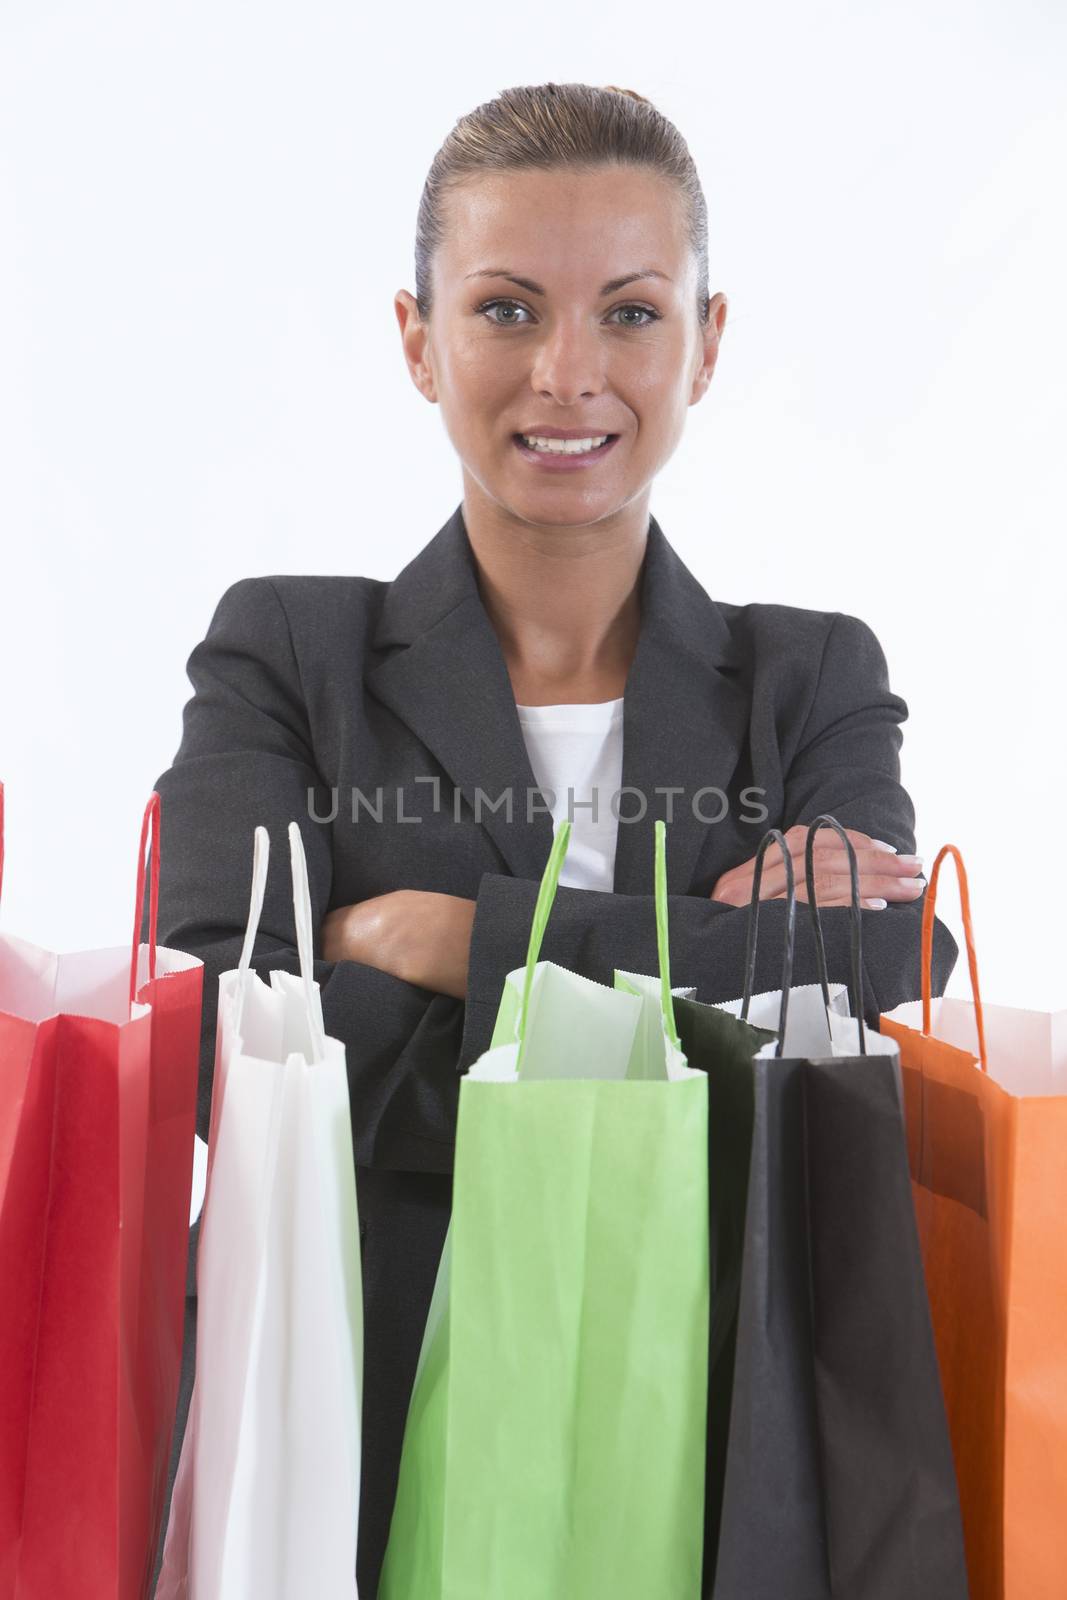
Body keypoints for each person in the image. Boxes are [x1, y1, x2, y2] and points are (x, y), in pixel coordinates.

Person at [147, 82, 958, 1597]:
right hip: (365, 1405)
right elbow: (224, 1027)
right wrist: (699, 1018)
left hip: (730, 1405)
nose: (569, 374)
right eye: (508, 308)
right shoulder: (289, 655)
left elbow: (882, 963)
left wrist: (452, 942)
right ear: (418, 337)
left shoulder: (810, 678)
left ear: (707, 344)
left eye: (633, 314)